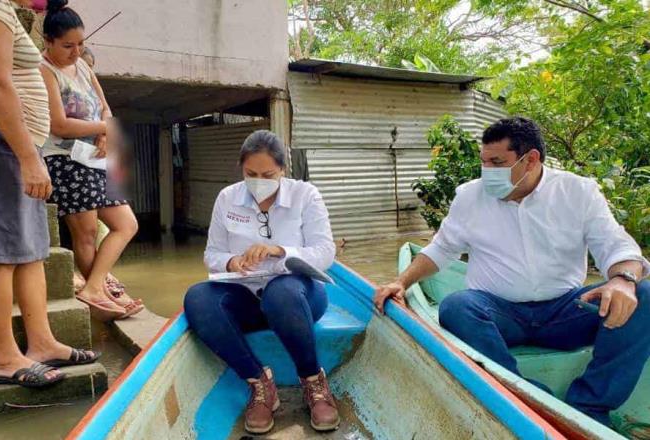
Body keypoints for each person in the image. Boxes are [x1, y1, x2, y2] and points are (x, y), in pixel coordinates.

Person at [374, 117, 650, 426]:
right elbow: (442, 248)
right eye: (484, 162)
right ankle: (527, 400)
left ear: (531, 160)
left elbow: (617, 247)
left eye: (497, 162)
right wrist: (400, 281)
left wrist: (623, 280)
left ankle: (589, 407)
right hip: (500, 313)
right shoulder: (470, 196)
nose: (488, 172)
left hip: (566, 310)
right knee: (457, 306)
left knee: (645, 294)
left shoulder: (578, 192)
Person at [0, 0, 100, 388]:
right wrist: (30, 158)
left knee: (31, 251)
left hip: (14, 143)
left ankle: (42, 342)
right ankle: (3, 356)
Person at [183, 130, 341, 434]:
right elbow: (212, 254)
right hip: (246, 294)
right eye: (250, 173)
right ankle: (259, 383)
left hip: (299, 297)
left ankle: (313, 382)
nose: (258, 181)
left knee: (280, 293)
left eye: (267, 174)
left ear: (283, 169)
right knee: (198, 297)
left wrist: (279, 251)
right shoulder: (227, 198)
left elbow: (325, 254)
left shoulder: (305, 195)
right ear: (241, 169)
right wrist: (232, 262)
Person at [39, 0, 141, 321]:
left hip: (96, 160)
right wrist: (102, 127)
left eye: (81, 44)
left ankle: (95, 286)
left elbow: (105, 107)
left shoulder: (83, 66)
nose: (76, 51)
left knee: (126, 224)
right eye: (68, 45)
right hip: (66, 161)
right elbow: (59, 125)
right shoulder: (45, 71)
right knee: (83, 234)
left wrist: (106, 131)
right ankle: (99, 292)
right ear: (48, 42)